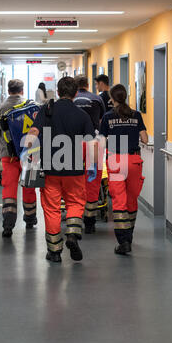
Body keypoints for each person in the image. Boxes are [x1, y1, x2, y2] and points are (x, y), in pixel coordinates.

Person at [24, 76, 98, 263]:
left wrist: (28, 150)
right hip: (74, 169)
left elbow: (33, 133)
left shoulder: (46, 110)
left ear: (57, 92)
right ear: (75, 93)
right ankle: (72, 234)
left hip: (51, 169)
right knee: (75, 203)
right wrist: (93, 164)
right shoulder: (82, 115)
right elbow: (91, 143)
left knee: (51, 209)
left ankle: (55, 252)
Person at [99, 84, 148, 255]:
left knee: (119, 201)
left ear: (112, 98)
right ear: (125, 96)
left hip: (116, 160)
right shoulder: (136, 114)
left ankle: (123, 241)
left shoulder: (107, 116)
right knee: (132, 199)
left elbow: (102, 141)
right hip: (134, 160)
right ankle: (130, 236)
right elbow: (145, 139)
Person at [0, 79, 38, 238]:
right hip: (30, 154)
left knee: (9, 189)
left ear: (8, 91)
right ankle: (30, 219)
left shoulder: (1, 108)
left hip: (8, 156)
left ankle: (8, 225)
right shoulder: (32, 106)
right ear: (22, 90)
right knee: (29, 187)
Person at [73, 75, 105, 233]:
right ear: (87, 84)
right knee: (93, 179)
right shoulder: (97, 99)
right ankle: (90, 222)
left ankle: (74, 217)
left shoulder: (70, 100)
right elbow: (101, 120)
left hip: (73, 142)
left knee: (74, 179)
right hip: (94, 141)